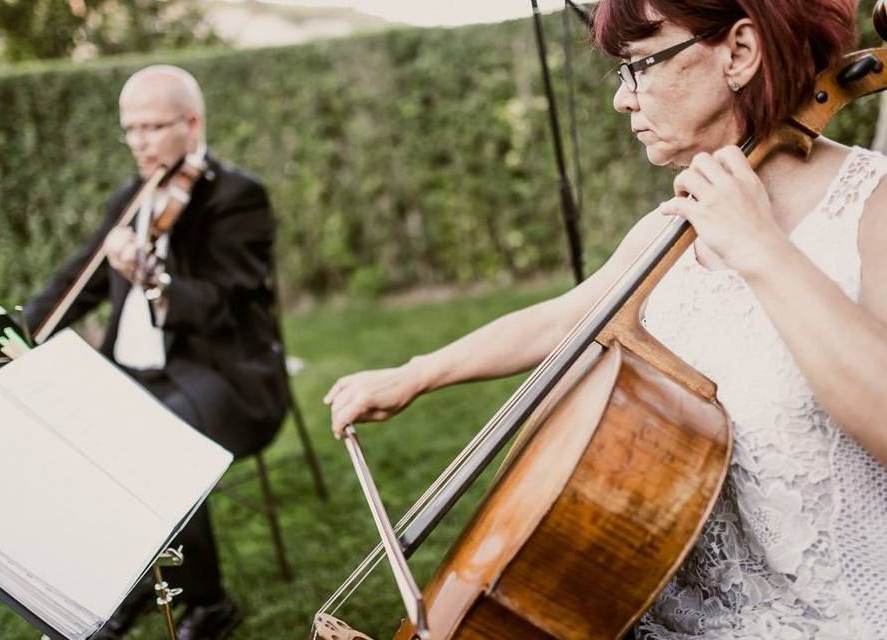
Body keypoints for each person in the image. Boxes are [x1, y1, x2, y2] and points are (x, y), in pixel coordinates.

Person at [325, 0, 887, 637]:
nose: (623, 100)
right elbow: (566, 317)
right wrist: (416, 374)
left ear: (739, 51)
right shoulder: (671, 227)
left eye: (640, 65)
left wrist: (760, 249)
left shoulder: (873, 207)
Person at [23, 64, 289, 640]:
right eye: (130, 129)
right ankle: (131, 581)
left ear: (191, 123)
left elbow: (221, 304)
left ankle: (208, 603)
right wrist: (24, 331)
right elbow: (80, 279)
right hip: (138, 378)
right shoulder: (130, 197)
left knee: (152, 442)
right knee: (77, 433)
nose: (139, 141)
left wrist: (151, 278)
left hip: (226, 379)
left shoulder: (236, 197)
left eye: (152, 127)